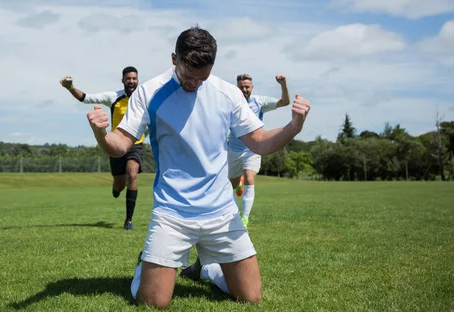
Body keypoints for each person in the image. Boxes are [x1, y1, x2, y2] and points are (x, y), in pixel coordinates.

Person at [86, 27, 311, 307]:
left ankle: (207, 269)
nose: (193, 84)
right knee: (153, 302)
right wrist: (101, 134)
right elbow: (119, 144)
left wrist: (293, 127)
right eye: (187, 76)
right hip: (172, 212)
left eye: (200, 78)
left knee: (250, 297)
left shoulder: (228, 94)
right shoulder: (149, 92)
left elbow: (260, 142)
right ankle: (146, 265)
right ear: (174, 59)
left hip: (222, 212)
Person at [60, 66, 144, 231]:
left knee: (132, 174)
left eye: (134, 78)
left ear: (137, 80)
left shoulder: (144, 98)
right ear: (123, 80)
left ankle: (128, 220)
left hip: (136, 143)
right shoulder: (113, 97)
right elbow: (86, 98)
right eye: (128, 79)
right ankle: (115, 186)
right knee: (120, 185)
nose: (131, 81)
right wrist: (70, 87)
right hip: (117, 143)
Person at [228, 73, 290, 227]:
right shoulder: (231, 103)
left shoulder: (259, 102)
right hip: (233, 150)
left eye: (247, 87)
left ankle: (244, 218)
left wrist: (283, 84)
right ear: (237, 88)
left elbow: (285, 102)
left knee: (250, 177)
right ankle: (238, 184)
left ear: (252, 87)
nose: (244, 89)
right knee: (232, 185)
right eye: (241, 87)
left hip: (253, 148)